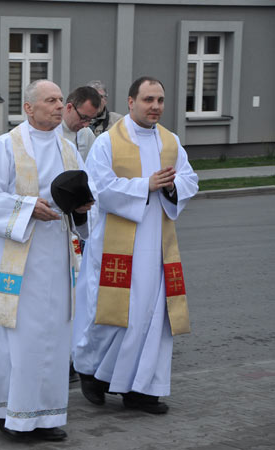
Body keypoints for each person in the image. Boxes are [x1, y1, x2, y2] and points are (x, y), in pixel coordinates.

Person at [0, 80, 93, 442]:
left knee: (54, 334)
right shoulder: (5, 146)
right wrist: (26, 208)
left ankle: (46, 414)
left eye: (60, 100)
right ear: (28, 107)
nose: (59, 106)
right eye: (51, 100)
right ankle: (10, 412)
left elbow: (85, 199)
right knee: (18, 334)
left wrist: (82, 209)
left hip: (56, 257)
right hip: (17, 258)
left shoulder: (69, 150)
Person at [72, 76, 198, 415]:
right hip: (116, 245)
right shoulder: (108, 142)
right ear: (131, 102)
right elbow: (99, 188)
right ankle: (92, 371)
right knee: (111, 316)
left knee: (153, 319)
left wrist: (171, 188)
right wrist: (146, 185)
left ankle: (141, 389)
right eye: (148, 100)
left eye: (160, 100)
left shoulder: (170, 141)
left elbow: (189, 179)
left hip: (157, 246)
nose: (155, 106)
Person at [59, 86, 101, 162]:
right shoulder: (50, 130)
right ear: (69, 107)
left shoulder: (87, 134)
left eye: (90, 120)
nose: (86, 125)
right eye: (83, 117)